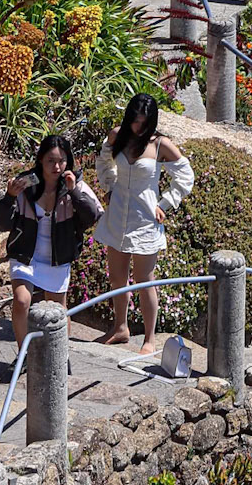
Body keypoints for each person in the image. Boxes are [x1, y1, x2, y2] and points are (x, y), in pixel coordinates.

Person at [94, 94, 194, 354]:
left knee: (144, 279)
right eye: (135, 121)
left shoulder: (160, 144)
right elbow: (103, 160)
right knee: (117, 277)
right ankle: (120, 328)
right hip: (117, 215)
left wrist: (165, 203)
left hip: (145, 219)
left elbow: (185, 177)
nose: (139, 127)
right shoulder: (118, 135)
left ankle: (149, 338)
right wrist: (109, 185)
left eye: (144, 122)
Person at [0, 134, 103, 343]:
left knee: (58, 310)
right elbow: (2, 220)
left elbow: (92, 216)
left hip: (57, 257)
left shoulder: (74, 184)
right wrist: (8, 197)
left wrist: (74, 192)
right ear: (41, 160)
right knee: (21, 300)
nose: (57, 166)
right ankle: (23, 355)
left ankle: (61, 357)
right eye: (51, 160)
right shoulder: (27, 183)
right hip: (26, 255)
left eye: (61, 160)